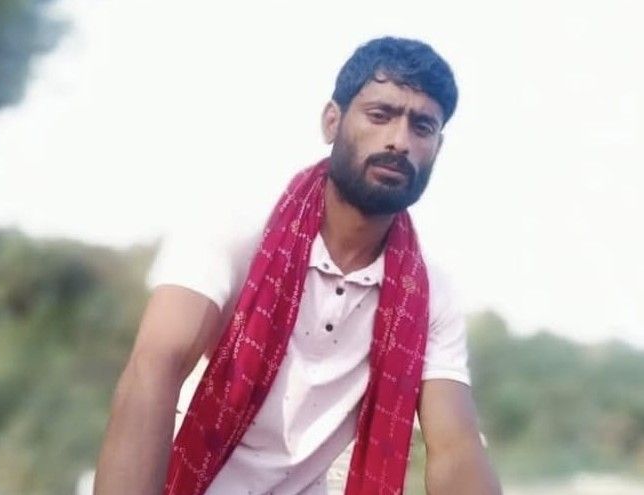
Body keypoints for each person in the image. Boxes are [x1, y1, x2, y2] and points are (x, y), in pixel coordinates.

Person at [94, 36, 501, 494]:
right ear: (332, 122)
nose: (399, 141)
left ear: (437, 148)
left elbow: (456, 448)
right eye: (380, 115)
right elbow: (154, 368)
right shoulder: (232, 228)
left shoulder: (427, 293)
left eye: (422, 127)